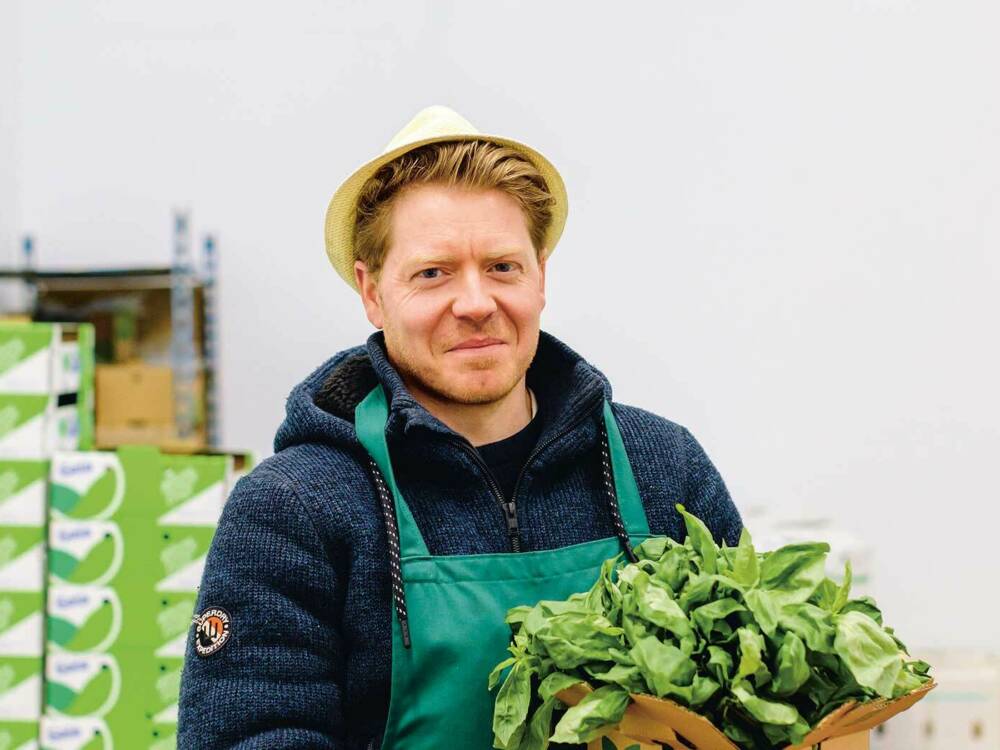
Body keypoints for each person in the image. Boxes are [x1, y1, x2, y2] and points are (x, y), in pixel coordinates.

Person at [177, 104, 742, 749]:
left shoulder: (660, 467)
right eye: (433, 273)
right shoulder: (294, 509)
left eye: (502, 266)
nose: (476, 304)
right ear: (372, 292)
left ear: (541, 276)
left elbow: (762, 698)